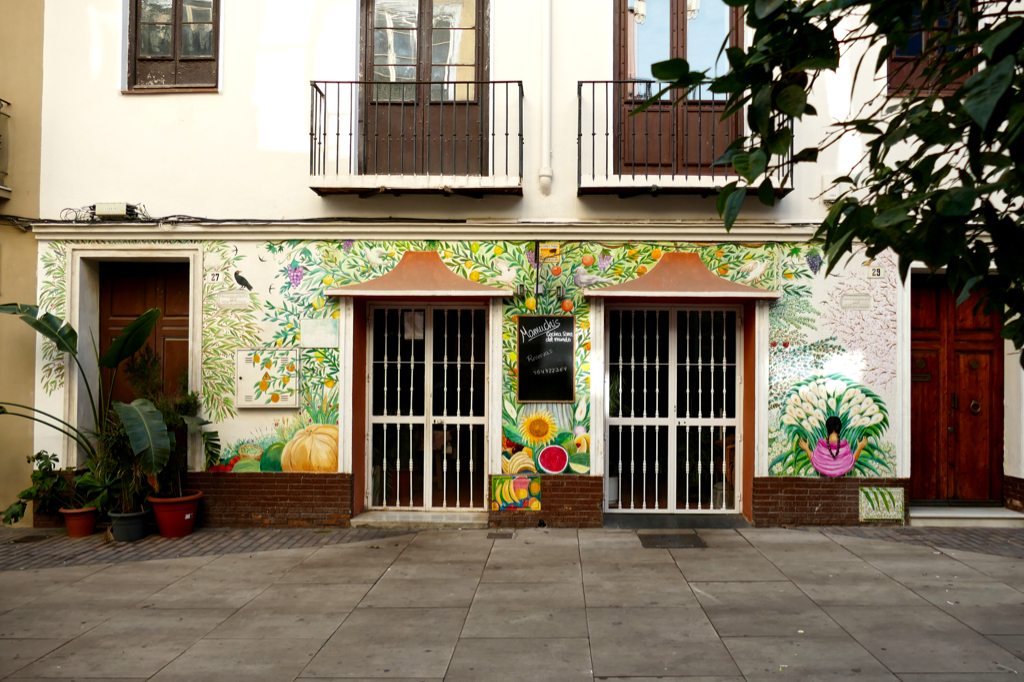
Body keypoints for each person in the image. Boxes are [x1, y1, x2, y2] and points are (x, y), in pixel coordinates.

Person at [797, 416, 868, 477]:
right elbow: (852, 459)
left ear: (827, 428)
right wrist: (859, 447)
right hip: (841, 484)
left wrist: (806, 448)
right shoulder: (844, 445)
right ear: (840, 428)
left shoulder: (821, 444)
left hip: (823, 483)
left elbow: (813, 458)